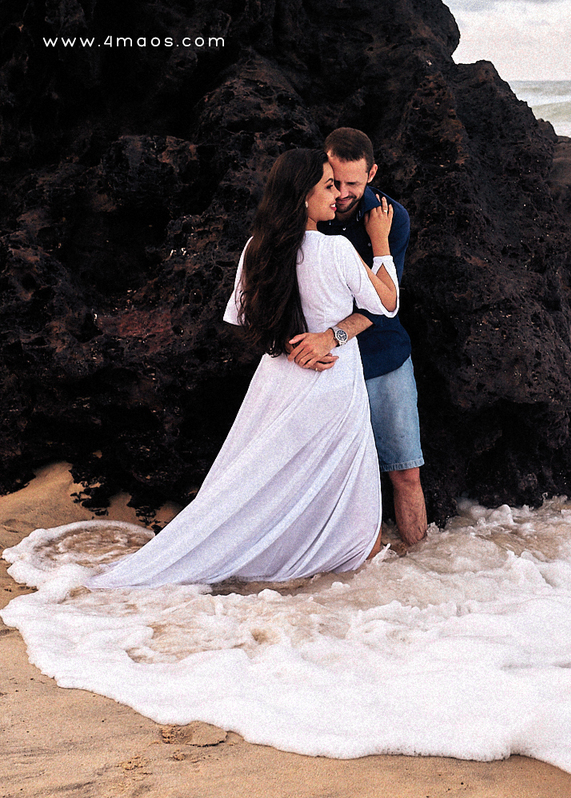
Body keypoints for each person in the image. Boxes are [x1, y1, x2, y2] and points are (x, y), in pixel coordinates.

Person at [89, 149, 398, 588]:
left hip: (276, 379)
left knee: (261, 480)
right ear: (302, 195)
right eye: (328, 186)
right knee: (345, 489)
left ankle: (259, 561)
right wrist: (381, 241)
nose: (336, 195)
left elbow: (241, 318)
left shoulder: (257, 248)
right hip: (330, 381)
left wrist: (290, 338)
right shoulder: (337, 248)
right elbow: (387, 303)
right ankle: (346, 584)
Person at [287, 128, 428, 547]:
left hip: (382, 357)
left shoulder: (390, 217)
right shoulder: (306, 215)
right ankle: (340, 583)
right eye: (336, 181)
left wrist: (333, 336)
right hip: (322, 366)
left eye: (355, 183)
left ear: (372, 174)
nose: (343, 193)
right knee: (330, 477)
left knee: (405, 470)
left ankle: (421, 571)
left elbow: (384, 302)